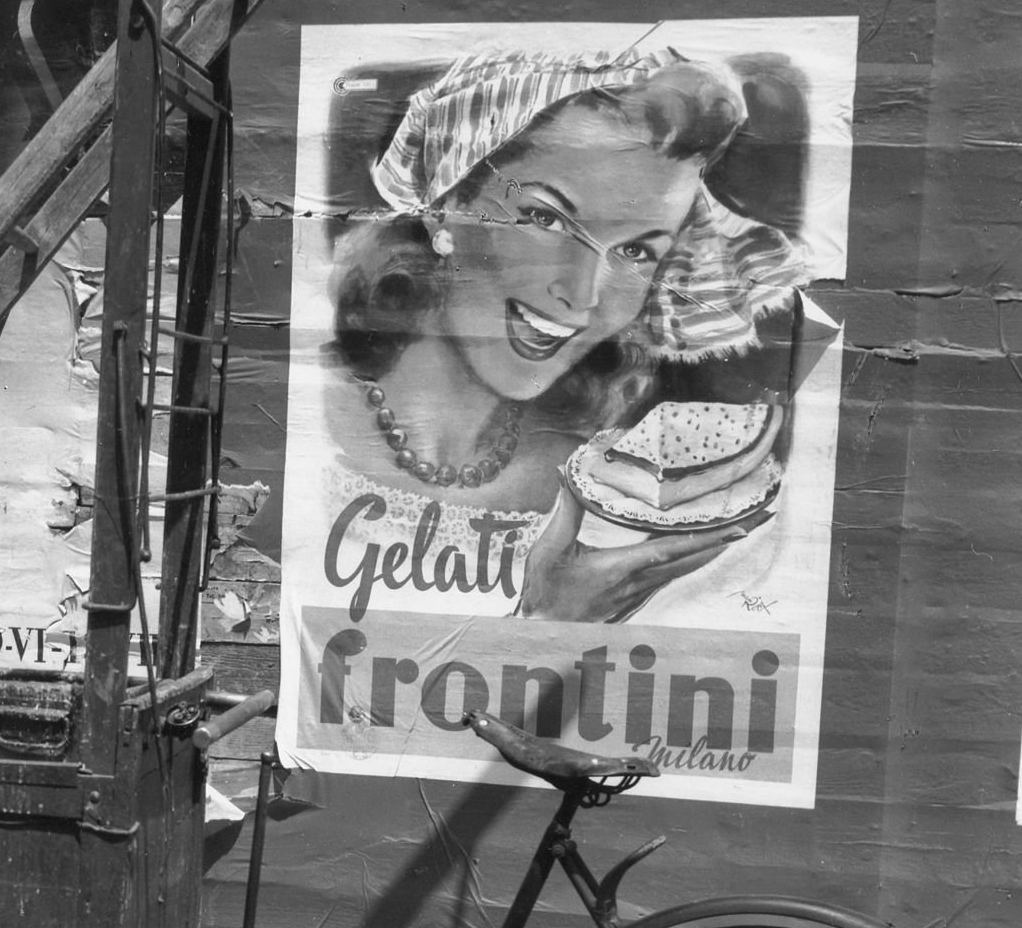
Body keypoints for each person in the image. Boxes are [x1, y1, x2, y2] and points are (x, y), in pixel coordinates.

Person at [322, 48, 807, 622]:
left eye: (635, 250)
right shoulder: (307, 427)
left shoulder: (607, 485)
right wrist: (549, 623)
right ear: (445, 206)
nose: (583, 294)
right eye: (547, 218)